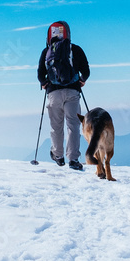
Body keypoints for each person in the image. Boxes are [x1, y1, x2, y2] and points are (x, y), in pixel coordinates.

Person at [37, 21, 90, 170]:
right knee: (73, 125)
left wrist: (44, 83)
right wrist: (81, 81)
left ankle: (58, 155)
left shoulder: (46, 51)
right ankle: (73, 159)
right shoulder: (75, 50)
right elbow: (86, 71)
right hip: (73, 92)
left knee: (56, 126)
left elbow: (41, 74)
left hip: (54, 93)